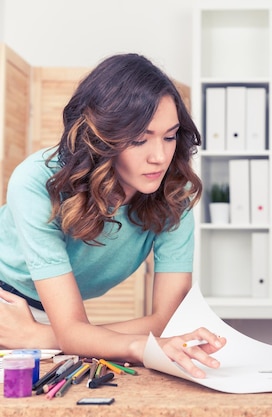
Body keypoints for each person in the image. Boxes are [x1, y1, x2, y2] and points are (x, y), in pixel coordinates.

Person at [0, 53, 224, 378]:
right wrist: (135, 344)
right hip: (7, 315)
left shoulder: (176, 191)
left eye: (170, 136)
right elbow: (77, 333)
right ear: (100, 138)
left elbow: (168, 321)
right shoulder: (35, 181)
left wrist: (45, 336)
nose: (160, 157)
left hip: (46, 329)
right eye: (139, 139)